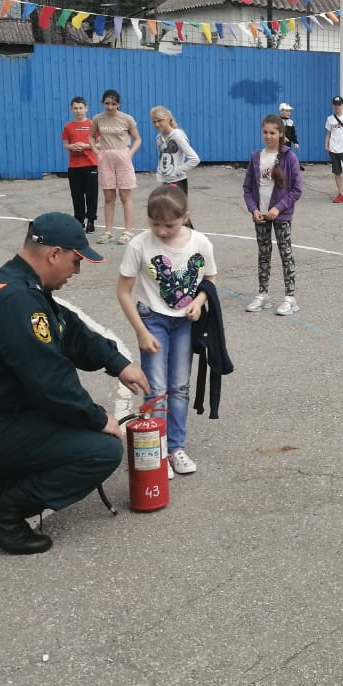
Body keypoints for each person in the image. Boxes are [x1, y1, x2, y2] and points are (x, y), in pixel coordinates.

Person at [0, 213, 150, 554]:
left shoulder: (20, 284)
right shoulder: (18, 300)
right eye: (75, 261)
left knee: (67, 427)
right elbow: (50, 381)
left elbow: (70, 330)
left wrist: (117, 362)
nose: (76, 271)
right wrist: (97, 419)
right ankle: (3, 516)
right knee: (101, 451)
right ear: (53, 254)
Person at [117, 186, 216, 477]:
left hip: (184, 322)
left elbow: (209, 279)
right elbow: (123, 292)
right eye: (154, 223)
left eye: (169, 225)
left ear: (186, 217)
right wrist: (141, 331)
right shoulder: (139, 245)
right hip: (152, 319)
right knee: (157, 387)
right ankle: (157, 448)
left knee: (180, 386)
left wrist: (199, 302)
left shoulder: (200, 243)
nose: (161, 231)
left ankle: (175, 448)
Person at [243, 113, 304, 315]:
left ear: (280, 134)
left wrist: (278, 208)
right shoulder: (255, 157)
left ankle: (290, 298)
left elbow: (297, 189)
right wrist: (253, 209)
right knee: (264, 254)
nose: (268, 136)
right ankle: (263, 295)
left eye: (273, 132)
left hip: (281, 215)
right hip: (260, 215)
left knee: (285, 254)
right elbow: (247, 187)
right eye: (265, 132)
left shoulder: (289, 157)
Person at [89, 88, 142, 244]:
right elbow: (91, 136)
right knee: (108, 197)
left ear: (119, 103)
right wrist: (96, 152)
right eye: (107, 103)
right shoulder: (98, 119)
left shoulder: (127, 119)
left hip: (123, 157)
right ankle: (108, 231)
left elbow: (138, 139)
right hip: (105, 157)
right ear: (102, 103)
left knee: (125, 195)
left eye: (113, 103)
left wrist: (129, 154)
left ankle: (128, 231)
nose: (110, 106)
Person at [150, 106, 201, 229]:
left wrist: (178, 170)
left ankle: (194, 243)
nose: (157, 124)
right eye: (154, 121)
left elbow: (195, 159)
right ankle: (180, 242)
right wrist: (161, 173)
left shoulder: (177, 135)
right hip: (165, 180)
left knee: (179, 215)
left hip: (178, 182)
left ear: (168, 119)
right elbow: (162, 158)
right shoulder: (159, 138)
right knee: (171, 214)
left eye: (159, 120)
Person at [61, 96, 98, 233]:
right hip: (74, 166)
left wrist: (86, 146)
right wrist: (72, 146)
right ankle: (79, 220)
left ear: (86, 108)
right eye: (75, 108)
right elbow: (65, 145)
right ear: (71, 110)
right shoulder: (68, 126)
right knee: (77, 195)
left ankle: (91, 221)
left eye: (81, 108)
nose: (78, 111)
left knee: (91, 195)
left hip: (90, 164)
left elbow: (99, 143)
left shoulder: (92, 124)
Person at [277, 101, 302, 170]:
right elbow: (276, 132)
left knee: (287, 157)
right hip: (279, 144)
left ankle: (286, 170)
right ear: (281, 111)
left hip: (288, 144)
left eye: (290, 111)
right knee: (280, 157)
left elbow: (293, 133)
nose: (289, 113)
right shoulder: (277, 121)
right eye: (287, 111)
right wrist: (283, 137)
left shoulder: (291, 122)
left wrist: (296, 142)